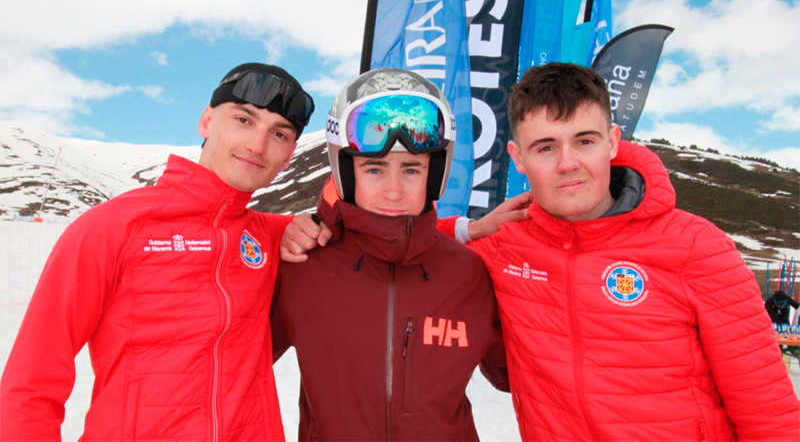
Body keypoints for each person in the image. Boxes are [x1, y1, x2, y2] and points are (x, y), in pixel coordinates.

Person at [284, 63, 800, 441]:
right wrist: (317, 218)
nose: (568, 163)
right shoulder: (499, 252)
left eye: (586, 140)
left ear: (614, 141)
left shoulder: (695, 246)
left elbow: (766, 406)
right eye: (546, 146)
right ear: (518, 157)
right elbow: (400, 238)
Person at [0, 63, 315, 441]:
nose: (257, 145)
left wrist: (311, 222)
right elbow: (31, 381)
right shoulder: (113, 227)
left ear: (288, 155)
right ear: (206, 122)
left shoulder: (276, 235)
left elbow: (359, 220)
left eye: (278, 134)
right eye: (243, 120)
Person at [271, 68, 508, 441]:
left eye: (412, 169)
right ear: (346, 173)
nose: (394, 192)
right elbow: (225, 362)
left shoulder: (469, 273)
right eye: (375, 169)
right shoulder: (303, 265)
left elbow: (520, 375)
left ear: (436, 174)